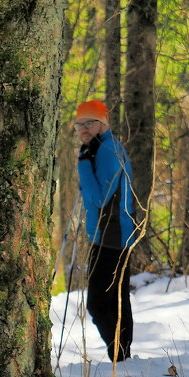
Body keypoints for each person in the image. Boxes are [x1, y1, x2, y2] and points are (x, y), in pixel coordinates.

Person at [74, 100, 137, 363]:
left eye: (90, 122)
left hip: (112, 236)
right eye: (79, 124)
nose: (84, 129)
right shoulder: (102, 149)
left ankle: (120, 358)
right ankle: (122, 360)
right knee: (117, 300)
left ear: (103, 123)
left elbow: (99, 199)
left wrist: (83, 165)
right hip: (116, 234)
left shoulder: (107, 152)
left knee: (98, 304)